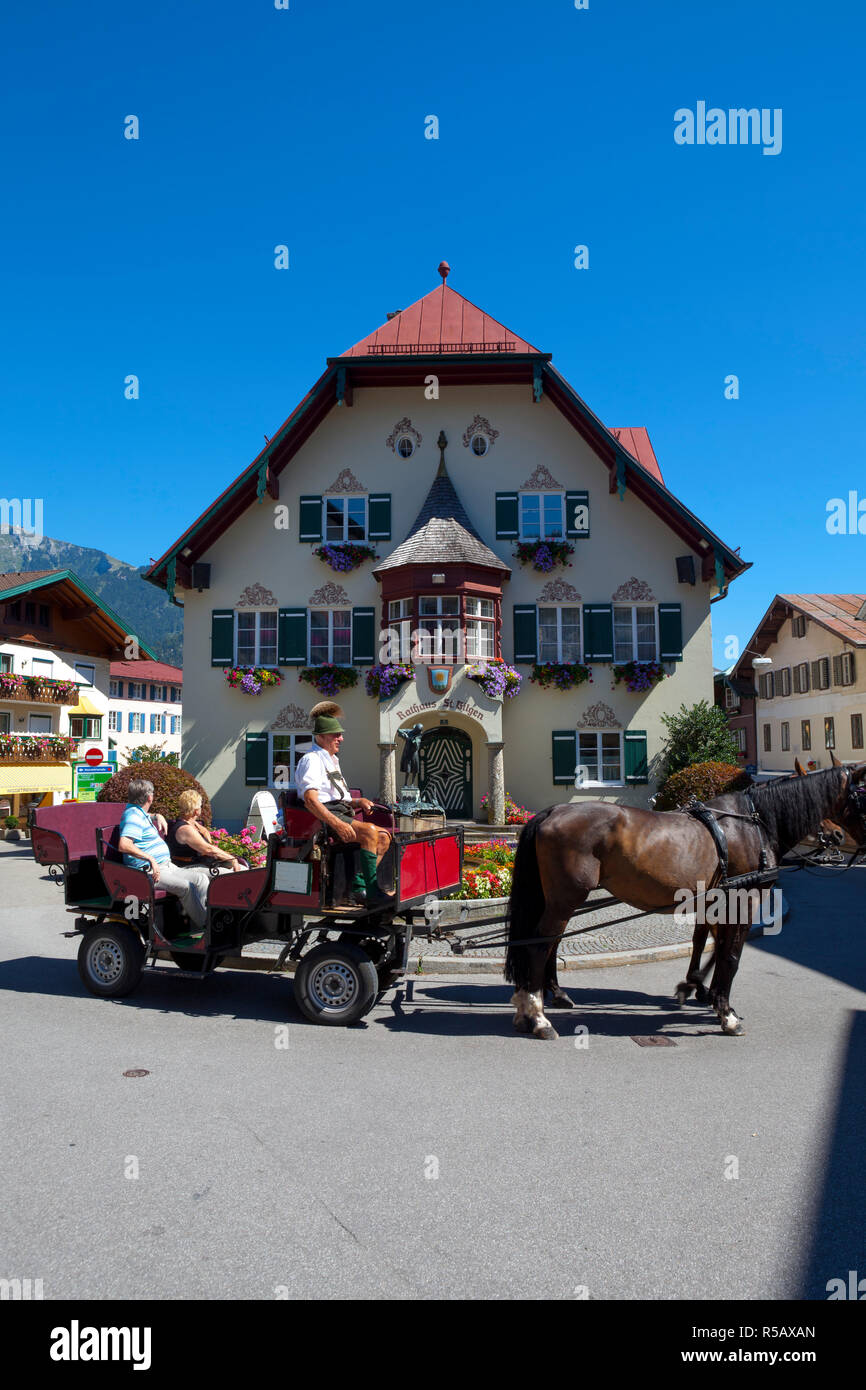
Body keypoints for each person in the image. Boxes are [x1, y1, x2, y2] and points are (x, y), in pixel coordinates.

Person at [294, 701, 392, 907]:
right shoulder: (311, 760)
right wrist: (337, 825)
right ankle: (372, 894)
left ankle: (360, 886)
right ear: (320, 737)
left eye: (340, 734)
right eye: (335, 735)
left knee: (384, 837)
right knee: (371, 832)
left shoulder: (331, 759)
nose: (341, 738)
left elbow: (337, 795)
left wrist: (359, 801)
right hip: (324, 819)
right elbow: (311, 800)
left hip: (339, 811)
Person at [117, 779, 212, 932]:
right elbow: (124, 845)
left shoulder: (139, 813)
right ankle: (208, 928)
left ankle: (199, 925)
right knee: (186, 887)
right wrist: (150, 859)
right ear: (150, 798)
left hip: (166, 866)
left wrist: (156, 815)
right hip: (147, 871)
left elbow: (144, 816)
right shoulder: (133, 816)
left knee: (201, 879)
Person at [167, 790, 249, 873]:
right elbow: (208, 849)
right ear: (196, 811)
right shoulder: (185, 829)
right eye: (200, 806)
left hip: (201, 863)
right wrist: (232, 859)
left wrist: (206, 835)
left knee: (243, 870)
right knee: (231, 874)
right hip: (187, 867)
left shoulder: (193, 824)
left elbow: (205, 833)